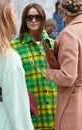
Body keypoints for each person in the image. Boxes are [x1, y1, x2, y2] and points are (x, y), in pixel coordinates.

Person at [11, 3, 57, 130]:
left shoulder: (54, 45)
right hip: (29, 114)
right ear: (24, 19)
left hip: (54, 111)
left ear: (43, 19)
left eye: (38, 17)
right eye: (29, 17)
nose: (33, 20)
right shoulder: (14, 47)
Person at [0, 0, 34, 130]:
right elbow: (19, 112)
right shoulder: (8, 58)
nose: (17, 17)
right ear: (5, 17)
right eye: (15, 12)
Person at [46, 0, 82, 130]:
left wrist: (49, 72)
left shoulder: (69, 34)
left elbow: (68, 77)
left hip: (74, 104)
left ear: (63, 12)